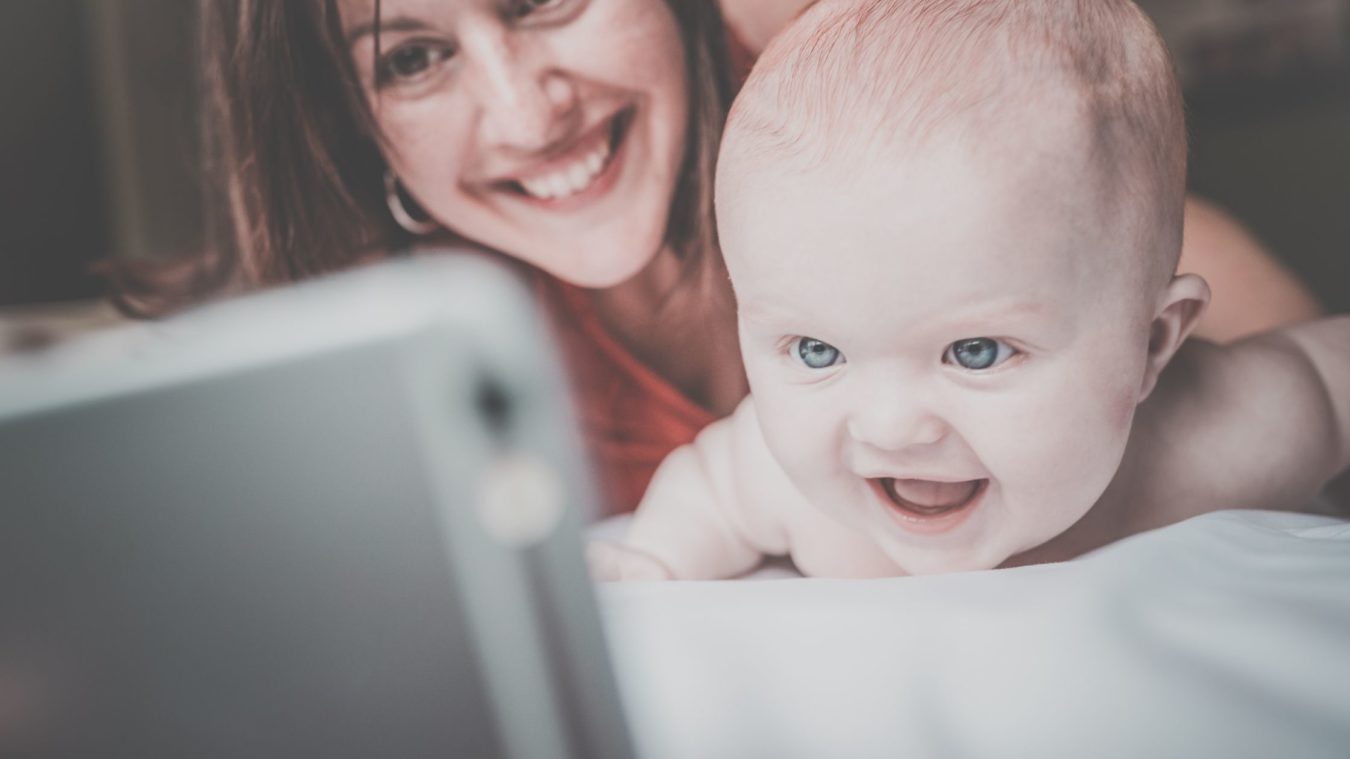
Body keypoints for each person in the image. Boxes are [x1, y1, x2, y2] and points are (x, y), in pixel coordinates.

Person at [111, 0, 1320, 516]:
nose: (527, 116)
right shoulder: (374, 369)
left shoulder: (843, 121)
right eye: (411, 59)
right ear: (353, 126)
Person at [589, 0, 1350, 580]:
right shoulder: (789, 485)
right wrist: (653, 569)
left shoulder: (1225, 434)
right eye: (817, 350)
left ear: (1152, 342)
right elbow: (703, 494)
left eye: (976, 351)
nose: (890, 428)